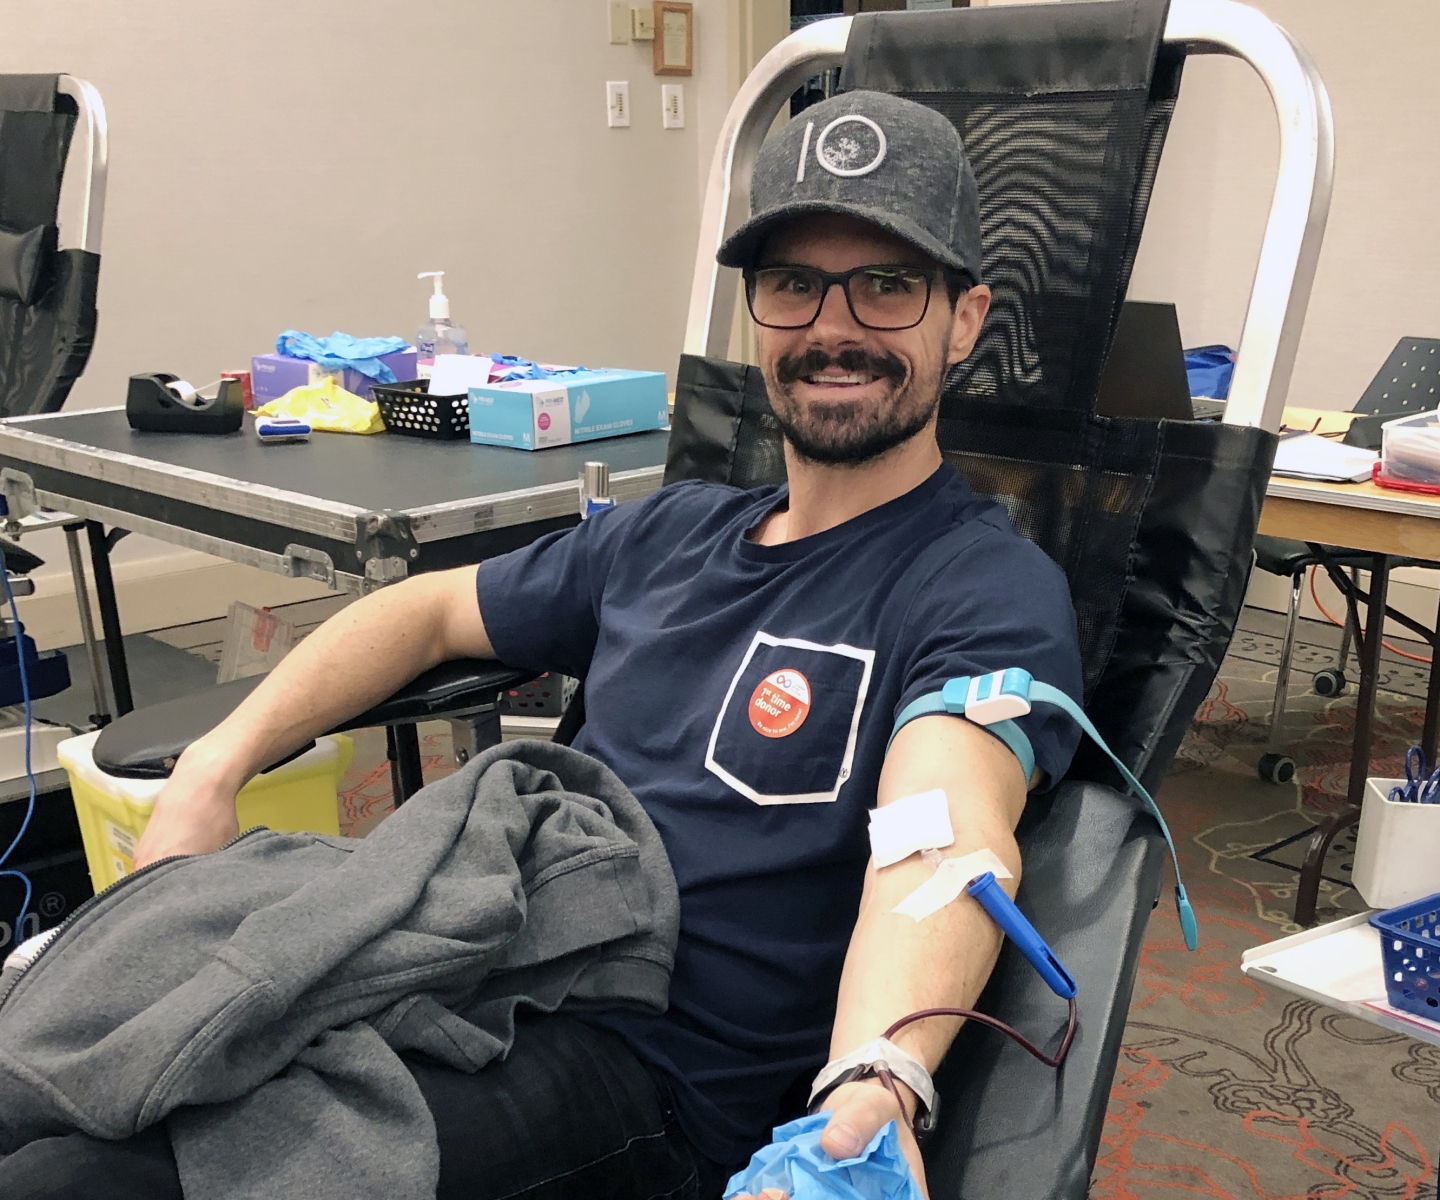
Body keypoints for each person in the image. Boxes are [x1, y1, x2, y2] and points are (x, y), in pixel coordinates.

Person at [0, 90, 1081, 1200]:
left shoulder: (982, 589)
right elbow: (419, 611)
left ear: (964, 319)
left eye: (888, 286)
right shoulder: (672, 529)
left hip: (646, 1075)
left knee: (81, 1183)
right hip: (475, 949)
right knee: (46, 1086)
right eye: (793, 284)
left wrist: (873, 1080)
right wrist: (215, 768)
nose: (831, 327)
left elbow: (940, 836)